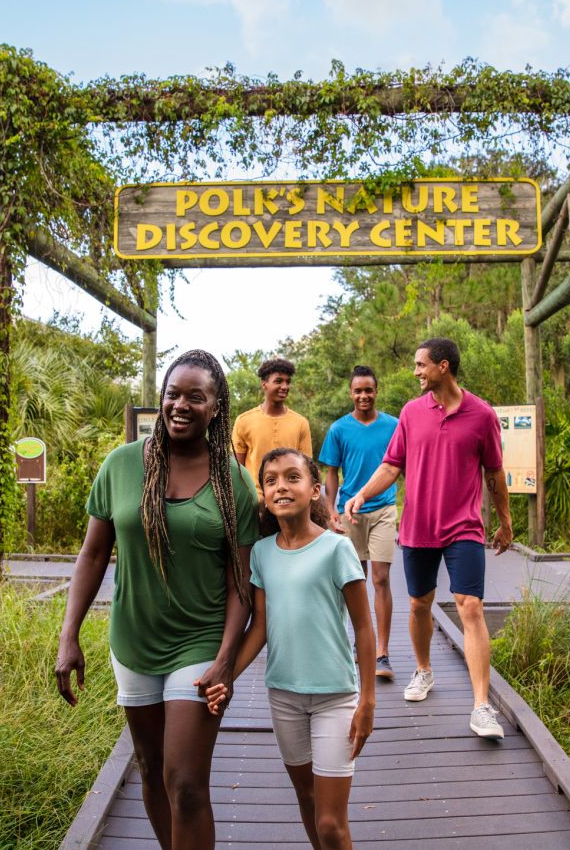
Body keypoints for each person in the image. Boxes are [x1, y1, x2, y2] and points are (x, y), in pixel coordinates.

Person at [54, 349, 259, 850]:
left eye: (197, 396)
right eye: (173, 394)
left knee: (185, 783)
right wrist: (69, 636)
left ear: (216, 408)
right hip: (133, 640)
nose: (181, 405)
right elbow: (93, 554)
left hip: (200, 643)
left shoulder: (232, 481)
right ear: (160, 400)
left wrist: (227, 660)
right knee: (149, 770)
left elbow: (241, 583)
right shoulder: (122, 465)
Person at [343, 337, 513, 740]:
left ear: (443, 367)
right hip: (418, 526)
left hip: (464, 527)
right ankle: (423, 671)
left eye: (421, 365)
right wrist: (362, 495)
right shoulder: (412, 413)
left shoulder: (482, 415)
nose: (416, 372)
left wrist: (504, 522)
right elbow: (392, 465)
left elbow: (495, 474)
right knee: (420, 604)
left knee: (470, 605)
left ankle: (481, 706)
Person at [207, 447, 375, 850]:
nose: (281, 486)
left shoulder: (337, 548)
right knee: (307, 800)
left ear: (315, 490)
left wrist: (367, 701)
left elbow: (364, 627)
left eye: (292, 477)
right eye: (270, 481)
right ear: (263, 495)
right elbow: (260, 625)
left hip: (336, 697)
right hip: (283, 697)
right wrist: (224, 675)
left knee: (332, 823)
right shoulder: (262, 554)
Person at [319, 364, 400, 682]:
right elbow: (331, 473)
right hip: (350, 511)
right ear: (351, 393)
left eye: (369, 389)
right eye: (358, 390)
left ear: (376, 391)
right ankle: (357, 642)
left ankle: (382, 652)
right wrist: (330, 510)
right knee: (354, 580)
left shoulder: (393, 426)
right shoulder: (339, 429)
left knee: (380, 579)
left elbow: (400, 467)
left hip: (383, 509)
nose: (363, 395)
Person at [232, 357, 312, 500]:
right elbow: (236, 470)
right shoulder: (243, 421)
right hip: (254, 500)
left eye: (288, 382)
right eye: (278, 381)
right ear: (264, 384)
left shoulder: (300, 423)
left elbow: (307, 469)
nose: (285, 386)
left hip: (290, 499)